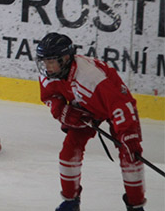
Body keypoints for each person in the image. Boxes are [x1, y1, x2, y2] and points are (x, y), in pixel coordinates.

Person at [36, 32, 147, 211]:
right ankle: (70, 202)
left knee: (129, 154)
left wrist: (129, 135)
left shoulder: (91, 77)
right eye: (44, 61)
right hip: (84, 110)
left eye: (51, 61)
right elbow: (50, 96)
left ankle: (136, 206)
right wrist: (61, 110)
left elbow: (120, 104)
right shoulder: (50, 73)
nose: (46, 67)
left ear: (65, 59)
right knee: (69, 151)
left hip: (114, 107)